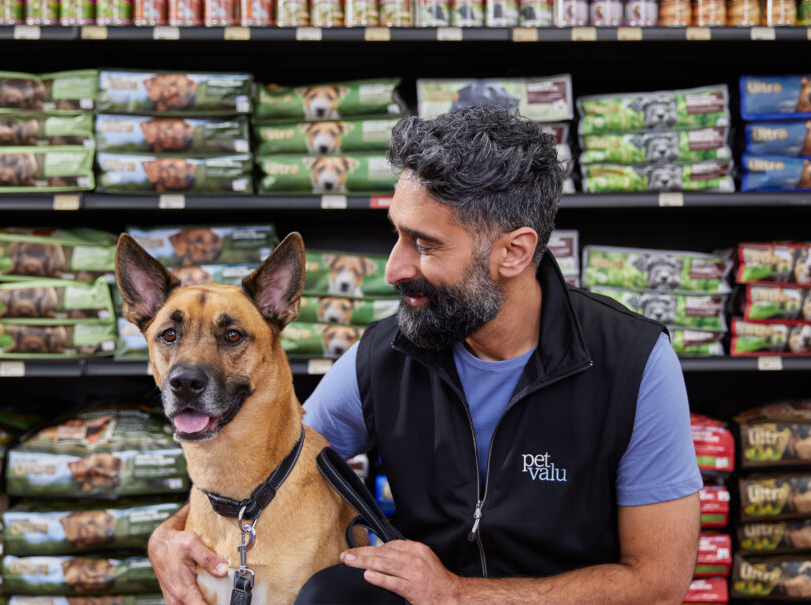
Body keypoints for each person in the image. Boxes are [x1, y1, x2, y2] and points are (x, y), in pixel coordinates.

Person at [147, 106, 702, 604]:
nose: (393, 268)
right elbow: (270, 464)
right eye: (397, 236)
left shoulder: (633, 362)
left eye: (425, 244)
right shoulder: (384, 357)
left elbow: (658, 582)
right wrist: (171, 535)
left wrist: (460, 595)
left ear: (514, 252)